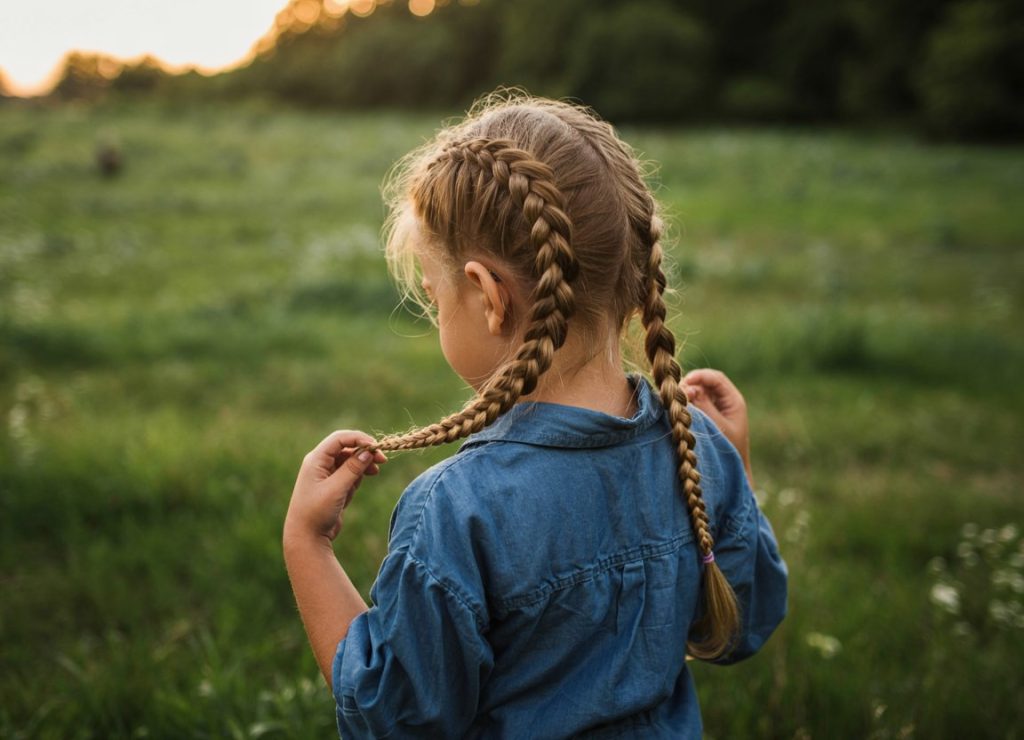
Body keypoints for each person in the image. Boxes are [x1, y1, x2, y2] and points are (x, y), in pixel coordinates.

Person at [283, 90, 788, 739]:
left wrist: (307, 546)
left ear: (489, 297)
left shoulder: (458, 512)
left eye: (434, 297)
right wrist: (731, 462)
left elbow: (399, 720)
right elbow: (743, 623)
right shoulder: (698, 451)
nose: (434, 314)